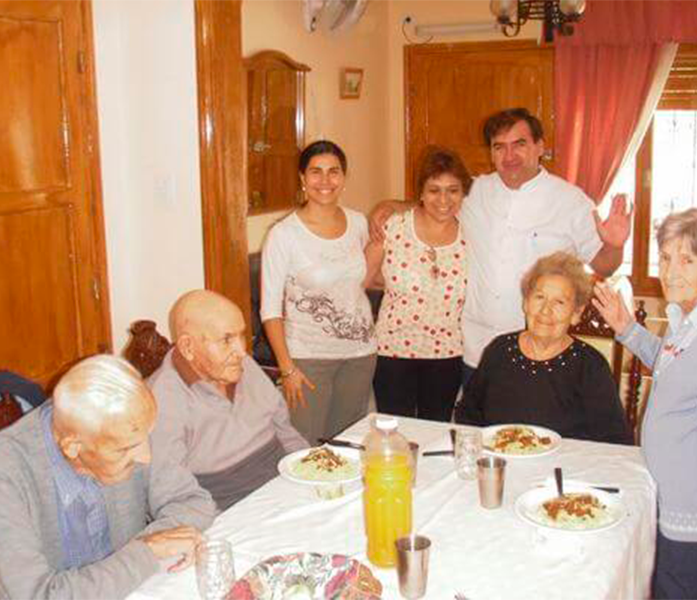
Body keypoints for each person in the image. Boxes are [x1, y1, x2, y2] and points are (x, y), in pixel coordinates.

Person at [370, 108, 631, 383]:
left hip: (537, 348)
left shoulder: (571, 201)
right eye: (499, 147)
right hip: (474, 349)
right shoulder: (475, 190)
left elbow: (605, 264)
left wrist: (614, 245)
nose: (509, 156)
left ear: (539, 146)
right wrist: (389, 206)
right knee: (472, 425)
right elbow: (437, 203)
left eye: (519, 145)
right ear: (491, 153)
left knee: (527, 426)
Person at [592, 209, 697, 599]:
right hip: (677, 497)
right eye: (665, 257)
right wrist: (628, 331)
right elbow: (676, 368)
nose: (670, 271)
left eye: (686, 260)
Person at [0, 355, 215, 600]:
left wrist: (146, 551)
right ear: (73, 447)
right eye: (125, 450)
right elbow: (36, 595)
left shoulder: (123, 424)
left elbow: (194, 502)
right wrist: (146, 553)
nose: (145, 457)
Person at [148, 290, 309, 510]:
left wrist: (309, 473)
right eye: (227, 339)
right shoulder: (161, 400)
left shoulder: (243, 366)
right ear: (188, 347)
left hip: (287, 487)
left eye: (242, 335)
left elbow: (285, 431)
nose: (242, 351)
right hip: (231, 510)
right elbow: (173, 495)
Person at [261, 140, 376, 445]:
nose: (325, 181)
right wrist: (287, 369)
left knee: (349, 444)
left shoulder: (357, 222)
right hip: (308, 360)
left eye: (333, 172)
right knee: (306, 447)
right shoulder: (284, 235)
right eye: (315, 172)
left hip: (359, 355)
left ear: (344, 177)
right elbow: (270, 311)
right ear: (302, 178)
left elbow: (357, 283)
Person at [455, 252, 633, 444]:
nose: (546, 310)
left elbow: (615, 439)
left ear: (576, 313)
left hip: (563, 470)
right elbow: (468, 415)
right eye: (539, 297)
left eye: (559, 302)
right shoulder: (498, 350)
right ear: (525, 302)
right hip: (500, 464)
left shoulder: (590, 366)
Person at [364, 146, 471, 421]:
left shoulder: (472, 234)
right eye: (434, 189)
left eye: (453, 190)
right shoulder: (393, 226)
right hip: (392, 352)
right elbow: (361, 281)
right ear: (420, 193)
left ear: (463, 193)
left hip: (447, 354)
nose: (443, 199)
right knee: (394, 433)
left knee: (435, 432)